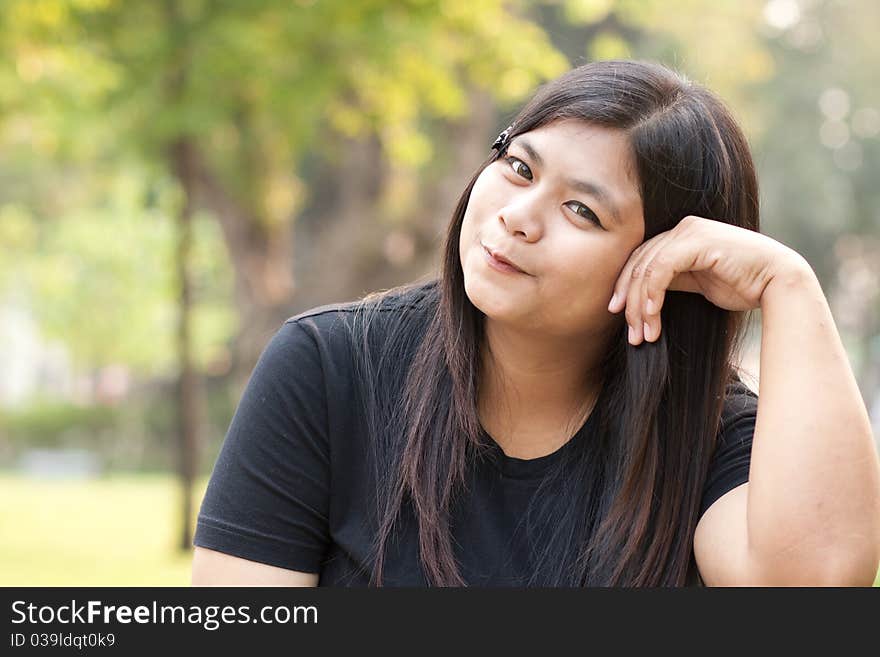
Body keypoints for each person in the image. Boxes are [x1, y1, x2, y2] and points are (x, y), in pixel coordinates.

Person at [191, 60, 880, 587]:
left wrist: (787, 286)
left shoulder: (708, 436)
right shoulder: (328, 369)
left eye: (583, 210)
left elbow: (811, 587)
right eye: (519, 167)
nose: (518, 215)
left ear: (666, 261)